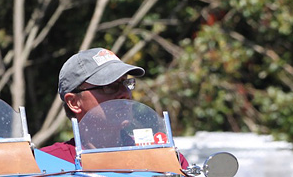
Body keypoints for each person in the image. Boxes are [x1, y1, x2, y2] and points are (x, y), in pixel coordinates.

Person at [39, 48, 188, 168]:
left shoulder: (162, 156)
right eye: (109, 86)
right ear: (74, 102)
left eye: (126, 83)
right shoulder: (47, 164)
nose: (125, 94)